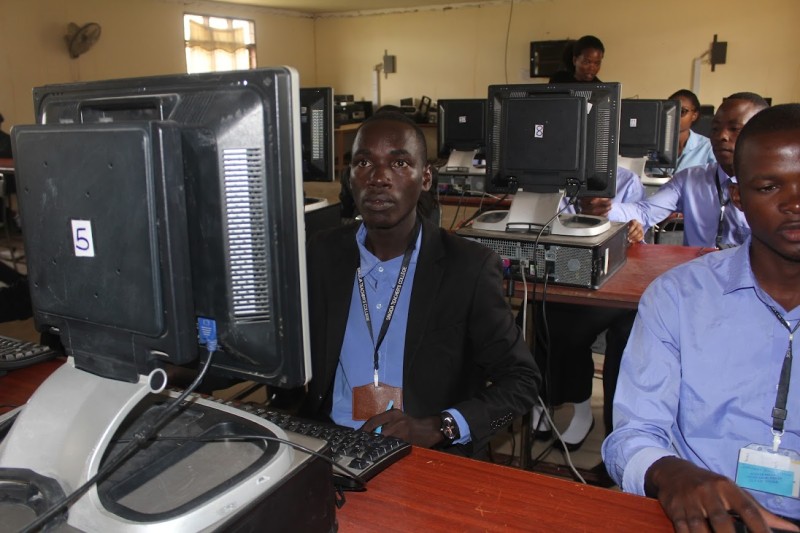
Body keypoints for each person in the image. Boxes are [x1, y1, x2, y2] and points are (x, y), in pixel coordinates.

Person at [602, 103, 800, 532]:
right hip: (704, 519)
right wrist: (670, 473)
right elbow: (632, 436)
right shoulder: (678, 298)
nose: (794, 204)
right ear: (738, 197)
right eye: (769, 187)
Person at [302, 111, 540, 456]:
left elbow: (522, 382)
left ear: (425, 178)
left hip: (426, 453)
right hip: (333, 443)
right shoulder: (322, 253)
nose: (379, 177)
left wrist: (442, 426)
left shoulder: (468, 268)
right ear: (350, 177)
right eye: (364, 162)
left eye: (399, 163)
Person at [532, 166, 645, 449]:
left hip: (614, 277)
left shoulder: (626, 180)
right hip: (568, 269)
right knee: (542, 312)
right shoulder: (550, 176)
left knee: (573, 330)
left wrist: (620, 220)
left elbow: (639, 223)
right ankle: (547, 400)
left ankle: (586, 415)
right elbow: (543, 224)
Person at [585, 92, 769, 248]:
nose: (721, 136)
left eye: (734, 128)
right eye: (715, 128)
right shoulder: (690, 180)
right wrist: (605, 210)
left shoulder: (782, 188)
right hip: (702, 277)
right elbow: (644, 212)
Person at [668, 89, 716, 173]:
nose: (675, 115)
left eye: (682, 111)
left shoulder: (708, 147)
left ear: (694, 115)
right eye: (671, 110)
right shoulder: (653, 144)